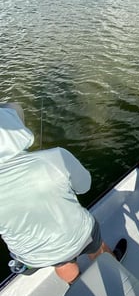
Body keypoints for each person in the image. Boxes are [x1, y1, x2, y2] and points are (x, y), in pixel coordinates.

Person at [0, 104, 127, 284]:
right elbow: (85, 186)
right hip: (79, 235)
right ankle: (112, 272)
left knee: (61, 263)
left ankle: (77, 285)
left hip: (36, 256)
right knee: (96, 247)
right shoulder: (55, 156)